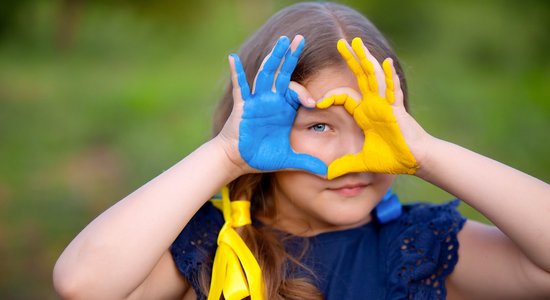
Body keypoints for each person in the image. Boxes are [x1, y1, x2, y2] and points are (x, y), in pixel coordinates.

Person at [53, 2, 550, 299]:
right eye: (318, 125)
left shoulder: (416, 247)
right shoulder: (211, 245)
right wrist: (226, 156)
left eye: (369, 126)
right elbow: (85, 285)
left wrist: (428, 154)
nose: (352, 155)